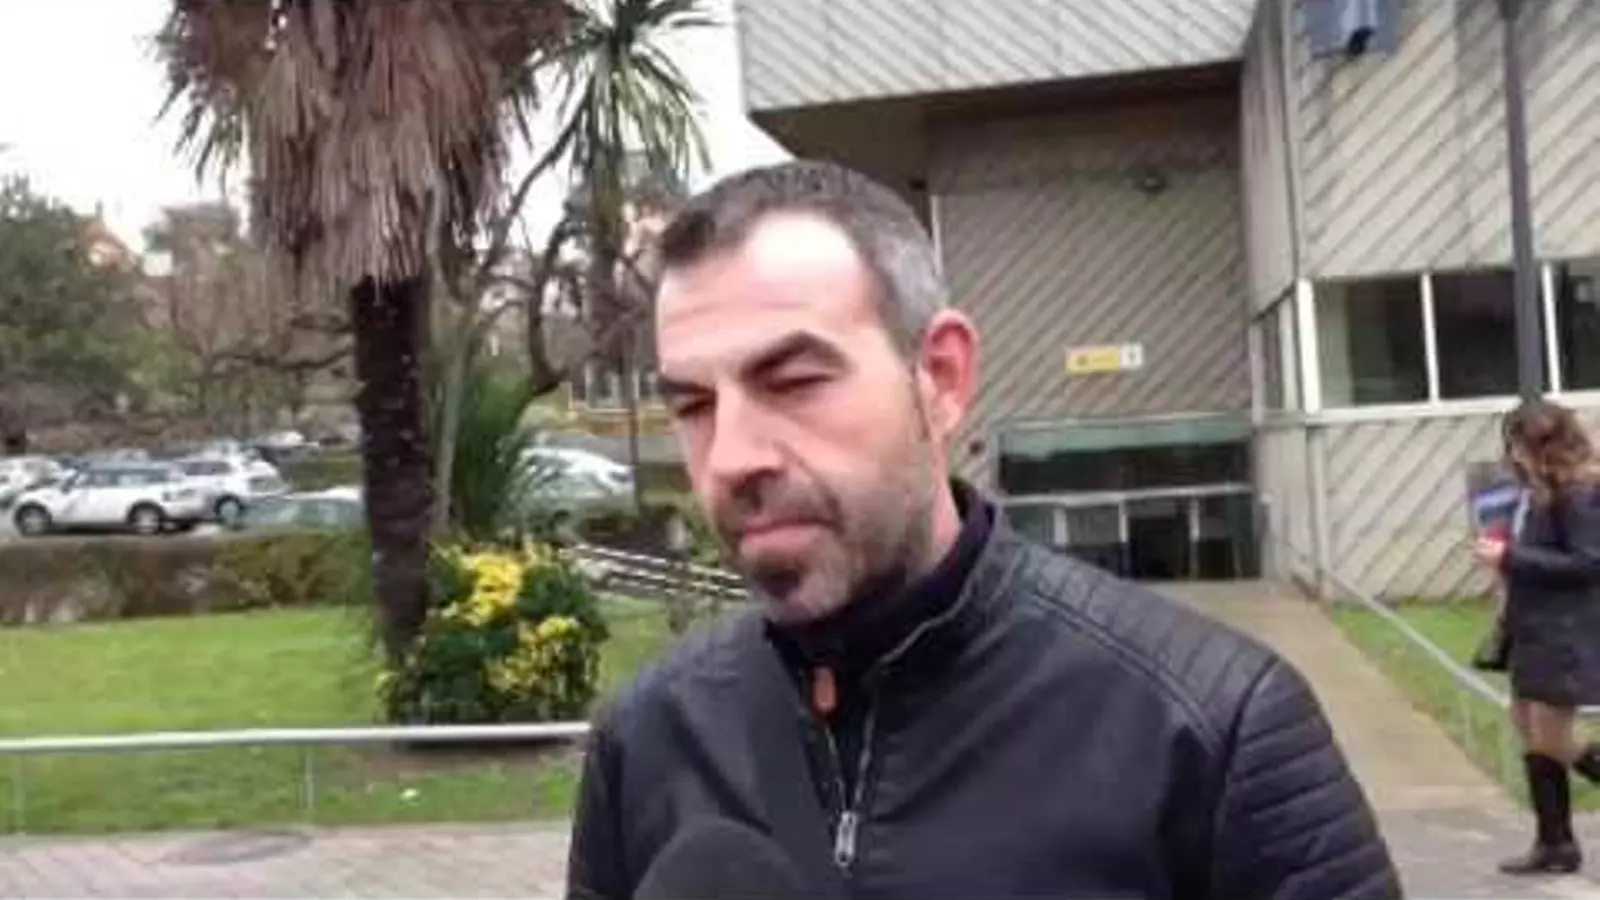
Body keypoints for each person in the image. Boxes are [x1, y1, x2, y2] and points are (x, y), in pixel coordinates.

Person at [566, 160, 1399, 899]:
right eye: (693, 405)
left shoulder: (1215, 729)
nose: (731, 458)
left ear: (940, 376)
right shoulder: (645, 740)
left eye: (793, 381)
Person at [1473, 399, 1600, 876]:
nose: (1513, 456)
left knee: (1553, 735)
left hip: (1564, 631)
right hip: (1532, 626)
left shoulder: (1580, 493)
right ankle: (1554, 842)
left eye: (1518, 446)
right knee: (1526, 722)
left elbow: (1588, 562)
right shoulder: (1537, 491)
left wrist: (1510, 558)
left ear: (1542, 446)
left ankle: (1556, 843)